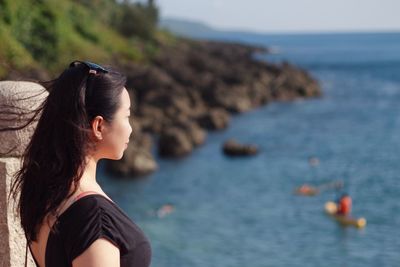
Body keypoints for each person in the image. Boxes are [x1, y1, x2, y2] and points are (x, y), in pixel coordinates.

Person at [4, 61, 151, 267]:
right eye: (126, 116)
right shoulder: (96, 222)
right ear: (98, 125)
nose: (130, 129)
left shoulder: (48, 193)